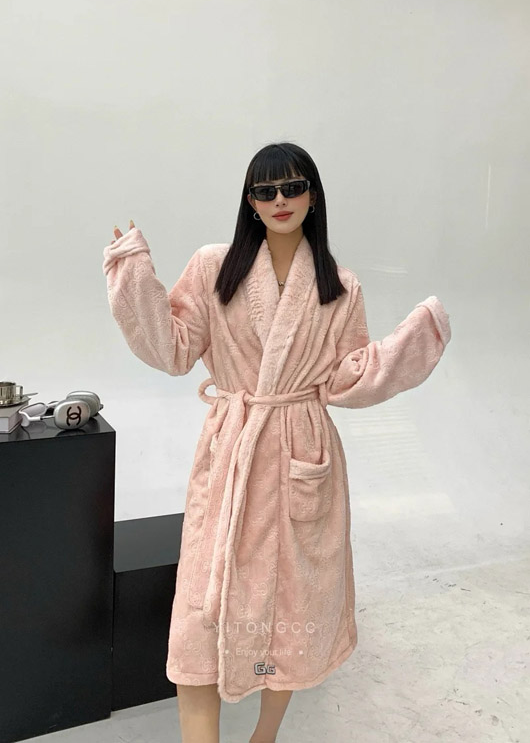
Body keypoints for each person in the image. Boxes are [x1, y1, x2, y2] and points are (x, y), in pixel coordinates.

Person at [103, 142, 451, 743]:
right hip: (233, 451)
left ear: (314, 194)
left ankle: (263, 737)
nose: (280, 200)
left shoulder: (340, 285)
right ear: (250, 202)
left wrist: (416, 338)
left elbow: (346, 377)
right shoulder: (214, 266)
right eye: (266, 191)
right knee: (199, 617)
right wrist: (132, 274)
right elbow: (174, 349)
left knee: (293, 609)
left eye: (293, 187)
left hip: (302, 452)